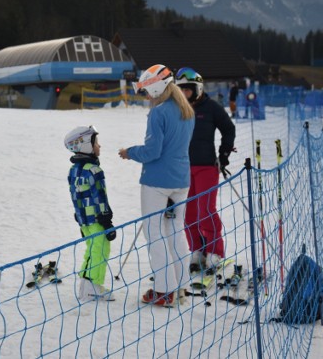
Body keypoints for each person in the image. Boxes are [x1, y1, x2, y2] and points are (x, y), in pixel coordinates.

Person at [118, 64, 195, 307]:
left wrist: (129, 152)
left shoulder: (158, 113)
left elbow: (152, 151)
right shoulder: (186, 110)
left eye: (147, 90)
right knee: (176, 230)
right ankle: (181, 286)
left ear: (156, 88)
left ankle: (163, 290)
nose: (147, 95)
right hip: (181, 180)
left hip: (157, 182)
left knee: (154, 234)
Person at [175, 67, 236, 273]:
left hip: (207, 167)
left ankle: (215, 251)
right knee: (189, 213)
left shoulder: (211, 108)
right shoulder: (177, 109)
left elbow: (228, 129)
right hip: (183, 168)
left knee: (206, 210)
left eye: (187, 90)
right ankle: (197, 250)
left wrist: (224, 153)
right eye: (180, 89)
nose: (184, 94)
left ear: (197, 88)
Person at [65, 125, 116, 302]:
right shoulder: (94, 171)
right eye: (96, 142)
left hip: (84, 220)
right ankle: (92, 286)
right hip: (97, 219)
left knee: (93, 248)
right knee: (100, 249)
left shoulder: (74, 171)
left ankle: (88, 284)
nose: (99, 146)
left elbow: (75, 196)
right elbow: (99, 197)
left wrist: (80, 218)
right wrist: (106, 220)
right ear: (86, 145)